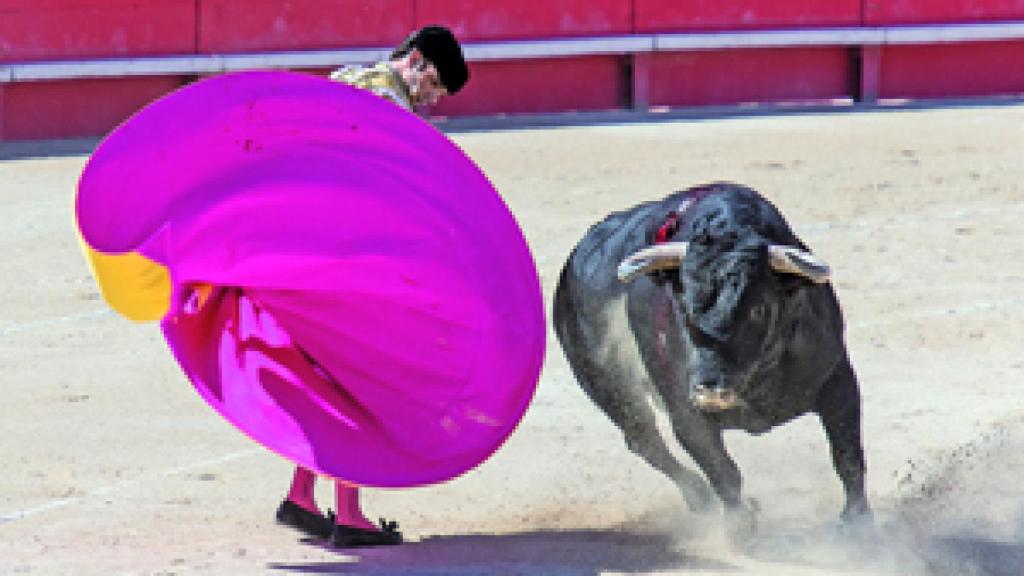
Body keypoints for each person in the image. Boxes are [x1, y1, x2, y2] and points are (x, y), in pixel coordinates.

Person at [273, 24, 470, 549]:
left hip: (305, 257)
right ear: (420, 60)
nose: (430, 100)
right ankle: (350, 513)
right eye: (433, 87)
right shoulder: (391, 108)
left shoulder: (344, 77)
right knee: (359, 382)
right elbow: (386, 196)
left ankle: (302, 495)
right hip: (350, 264)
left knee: (319, 377)